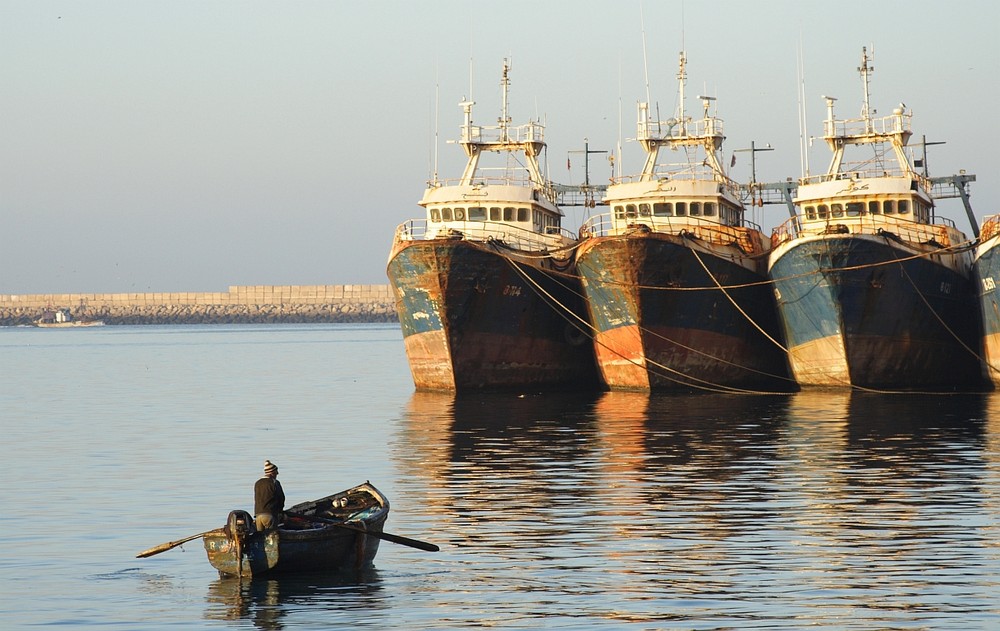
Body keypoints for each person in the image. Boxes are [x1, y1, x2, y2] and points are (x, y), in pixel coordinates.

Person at [254, 460, 285, 530]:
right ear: (272, 473)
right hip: (269, 515)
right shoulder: (275, 482)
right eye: (276, 472)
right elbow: (281, 498)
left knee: (261, 538)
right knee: (271, 537)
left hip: (258, 515)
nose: (278, 473)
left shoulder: (257, 483)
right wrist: (280, 511)